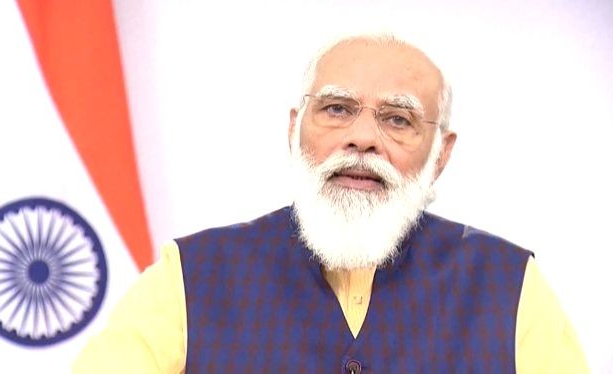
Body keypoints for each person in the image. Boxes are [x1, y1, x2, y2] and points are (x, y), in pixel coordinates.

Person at [74, 32, 588, 373]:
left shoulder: (509, 285)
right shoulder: (189, 276)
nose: (362, 139)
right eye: (338, 109)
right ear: (295, 129)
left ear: (440, 155)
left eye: (398, 119)